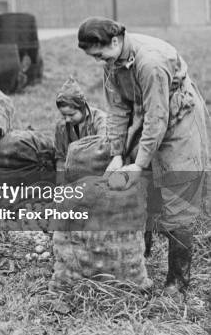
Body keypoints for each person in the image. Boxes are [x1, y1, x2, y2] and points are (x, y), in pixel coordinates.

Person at [77, 16, 208, 296]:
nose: (99, 60)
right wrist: (117, 154)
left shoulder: (150, 63)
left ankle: (178, 281)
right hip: (145, 113)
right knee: (140, 186)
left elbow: (158, 118)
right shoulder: (112, 63)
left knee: (176, 197)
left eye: (100, 54)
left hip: (178, 118)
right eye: (95, 57)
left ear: (115, 41)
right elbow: (117, 110)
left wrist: (138, 163)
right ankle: (138, 257)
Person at [54, 76, 107, 184]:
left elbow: (104, 153)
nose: (67, 119)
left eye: (71, 115)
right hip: (72, 178)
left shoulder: (101, 121)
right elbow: (60, 158)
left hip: (98, 174)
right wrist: (60, 183)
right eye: (64, 115)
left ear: (82, 107)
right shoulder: (61, 126)